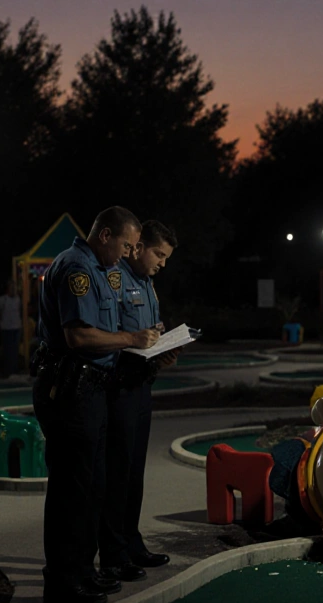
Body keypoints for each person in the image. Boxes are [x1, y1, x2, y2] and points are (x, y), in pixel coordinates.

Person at [30, 206, 159, 603]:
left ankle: (83, 570)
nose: (129, 253)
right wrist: (132, 340)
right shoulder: (78, 269)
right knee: (72, 488)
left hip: (93, 389)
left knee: (92, 486)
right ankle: (62, 581)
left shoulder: (102, 269)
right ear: (105, 235)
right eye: (127, 245)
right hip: (72, 388)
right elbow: (80, 337)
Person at [99, 220, 180, 580]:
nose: (162, 263)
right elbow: (109, 335)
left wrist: (164, 351)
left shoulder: (147, 285)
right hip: (118, 387)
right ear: (139, 247)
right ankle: (113, 554)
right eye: (159, 254)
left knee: (134, 473)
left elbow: (149, 334)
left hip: (142, 386)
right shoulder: (114, 279)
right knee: (117, 474)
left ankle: (132, 544)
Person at [0, 280, 23, 376]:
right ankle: (8, 370)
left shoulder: (18, 299)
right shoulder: (1, 300)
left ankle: (14, 369)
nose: (13, 290)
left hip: (16, 327)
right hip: (6, 328)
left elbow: (20, 311)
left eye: (14, 288)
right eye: (12, 287)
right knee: (8, 350)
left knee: (15, 349)